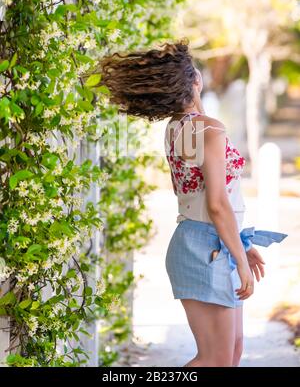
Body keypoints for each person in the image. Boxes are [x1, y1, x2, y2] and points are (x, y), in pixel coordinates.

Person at [100, 40, 287, 368]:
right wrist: (240, 260)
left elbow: (210, 199)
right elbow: (216, 204)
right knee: (215, 359)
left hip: (208, 242)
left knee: (232, 351)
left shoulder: (176, 128)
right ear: (194, 80)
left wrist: (239, 247)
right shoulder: (210, 129)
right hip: (206, 246)